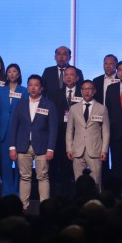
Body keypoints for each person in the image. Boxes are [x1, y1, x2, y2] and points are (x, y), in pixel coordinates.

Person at [8, 74, 58, 211]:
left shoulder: (49, 105)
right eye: (30, 85)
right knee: (24, 177)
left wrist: (51, 149)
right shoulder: (21, 104)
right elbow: (14, 127)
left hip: (43, 147)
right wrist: (12, 147)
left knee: (43, 177)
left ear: (41, 88)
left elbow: (53, 129)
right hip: (22, 146)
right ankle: (23, 208)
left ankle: (45, 208)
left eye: (36, 85)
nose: (33, 88)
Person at [66, 80, 110, 191]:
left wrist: (104, 150)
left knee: (96, 181)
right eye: (84, 89)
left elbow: (105, 131)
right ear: (81, 91)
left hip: (95, 149)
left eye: (89, 89)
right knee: (78, 181)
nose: (86, 91)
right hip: (77, 149)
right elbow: (69, 130)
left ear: (94, 91)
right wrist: (69, 148)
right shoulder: (74, 108)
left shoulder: (102, 108)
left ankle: (97, 205)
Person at [0, 64, 26, 198]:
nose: (12, 74)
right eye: (9, 72)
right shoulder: (1, 91)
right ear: (6, 75)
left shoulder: (24, 91)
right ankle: (7, 193)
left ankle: (17, 193)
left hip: (19, 132)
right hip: (3, 132)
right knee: (5, 165)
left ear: (18, 74)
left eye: (15, 71)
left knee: (19, 166)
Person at [49, 66, 81, 196]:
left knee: (75, 169)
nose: (68, 77)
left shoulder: (82, 93)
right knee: (59, 169)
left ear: (77, 77)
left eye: (71, 75)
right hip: (60, 136)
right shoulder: (55, 94)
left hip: (78, 136)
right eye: (66, 75)